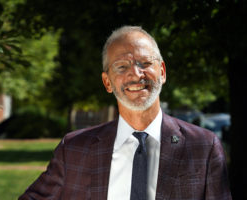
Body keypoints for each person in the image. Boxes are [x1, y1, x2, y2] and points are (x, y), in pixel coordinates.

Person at [19, 26, 232, 200]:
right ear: (107, 82)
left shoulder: (204, 146)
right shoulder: (74, 150)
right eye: (122, 67)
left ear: (162, 72)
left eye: (145, 63)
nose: (136, 74)